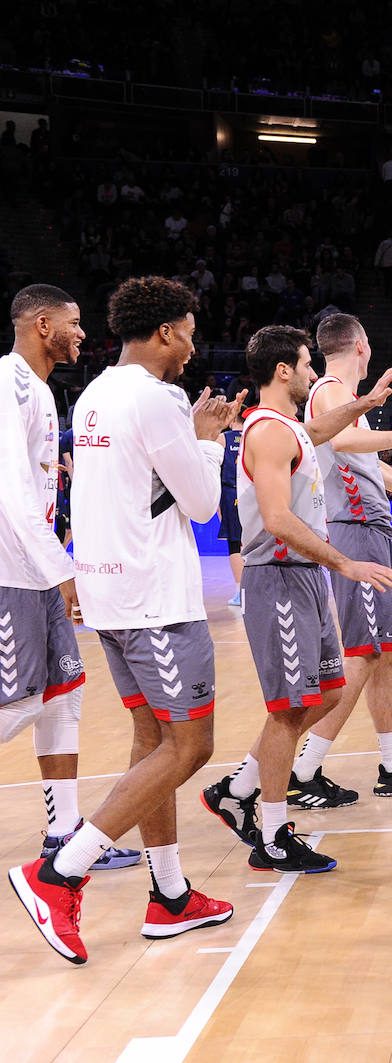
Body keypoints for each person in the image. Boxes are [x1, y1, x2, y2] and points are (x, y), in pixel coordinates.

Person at [10, 277, 239, 964]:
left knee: (152, 741)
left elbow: (144, 491)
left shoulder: (96, 393)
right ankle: (58, 872)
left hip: (107, 596)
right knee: (190, 746)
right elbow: (200, 505)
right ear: (166, 332)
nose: (193, 348)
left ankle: (169, 895)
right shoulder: (162, 397)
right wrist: (208, 439)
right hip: (156, 601)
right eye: (190, 333)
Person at [202, 328, 392, 871]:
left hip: (305, 577)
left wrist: (368, 402)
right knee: (290, 708)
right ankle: (271, 834)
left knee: (326, 694)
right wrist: (345, 561)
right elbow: (276, 519)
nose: (314, 371)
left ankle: (236, 788)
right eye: (306, 362)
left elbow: (316, 429)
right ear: (283, 371)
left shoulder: (289, 426)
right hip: (280, 576)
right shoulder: (266, 432)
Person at [282, 314, 392, 806]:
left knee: (384, 654)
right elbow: (340, 442)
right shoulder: (332, 390)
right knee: (364, 653)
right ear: (361, 345)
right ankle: (303, 768)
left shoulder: (346, 401)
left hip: (370, 531)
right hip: (354, 531)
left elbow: (366, 463)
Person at [1, 285, 143, 884]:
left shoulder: (38, 389)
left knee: (65, 693)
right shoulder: (8, 384)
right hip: (13, 573)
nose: (83, 333)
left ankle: (64, 833)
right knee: (18, 705)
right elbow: (8, 490)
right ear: (41, 324)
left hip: (35, 568)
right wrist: (64, 571)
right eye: (74, 323)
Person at [219, 405, 245, 606]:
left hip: (230, 494)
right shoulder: (256, 435)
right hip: (253, 492)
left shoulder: (223, 438)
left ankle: (240, 592)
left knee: (235, 544)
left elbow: (214, 472)